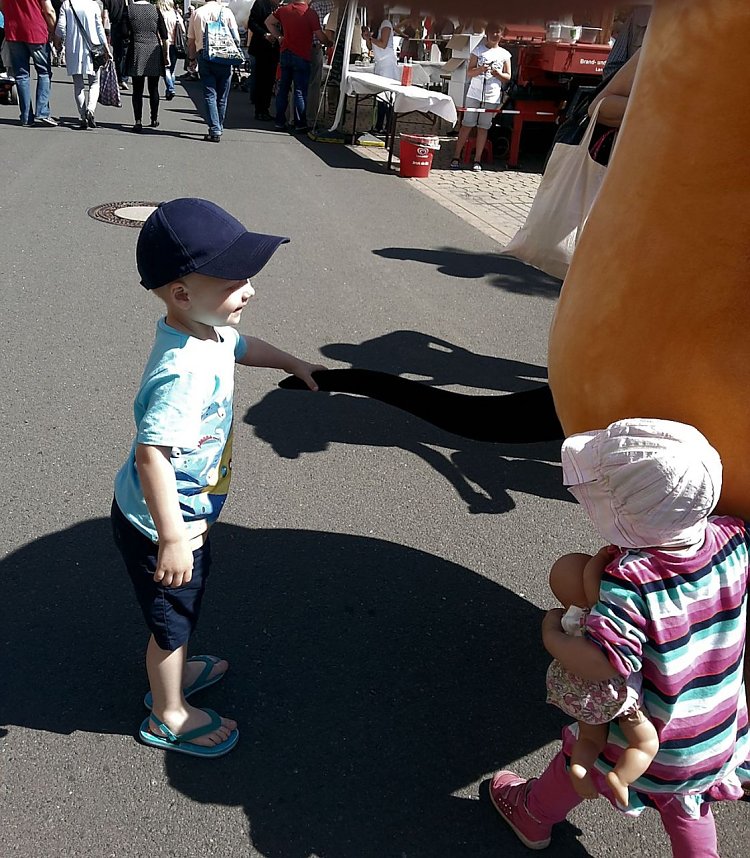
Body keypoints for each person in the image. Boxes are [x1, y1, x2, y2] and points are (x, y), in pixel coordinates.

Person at [112, 197, 324, 758]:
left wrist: (293, 363)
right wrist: (172, 538)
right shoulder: (180, 371)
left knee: (182, 608)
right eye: (234, 283)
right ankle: (169, 712)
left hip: (187, 515)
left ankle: (177, 667)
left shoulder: (211, 331)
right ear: (181, 293)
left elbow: (245, 348)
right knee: (170, 622)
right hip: (161, 524)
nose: (249, 291)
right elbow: (151, 456)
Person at [490, 418, 750, 857]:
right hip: (715, 730)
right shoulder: (734, 538)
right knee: (688, 806)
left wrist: (553, 636)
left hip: (653, 731)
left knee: (583, 757)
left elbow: (604, 661)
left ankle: (533, 813)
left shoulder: (632, 582)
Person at [547, 546, 659, 806]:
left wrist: (551, 620)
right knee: (646, 743)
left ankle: (580, 766)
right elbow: (590, 577)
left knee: (590, 738)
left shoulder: (572, 619)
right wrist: (600, 559)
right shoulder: (607, 610)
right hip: (617, 691)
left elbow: (586, 580)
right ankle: (621, 777)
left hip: (581, 690)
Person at [449, 21, 510, 172]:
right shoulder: (478, 50)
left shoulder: (505, 54)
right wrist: (481, 69)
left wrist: (498, 74)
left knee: (483, 128)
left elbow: (508, 76)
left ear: (502, 35)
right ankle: (456, 156)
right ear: (487, 34)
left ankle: (477, 160)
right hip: (475, 93)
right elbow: (469, 72)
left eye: (498, 32)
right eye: (492, 32)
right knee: (467, 125)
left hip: (491, 95)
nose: (494, 35)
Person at [265, 0, 331, 133]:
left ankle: (279, 121)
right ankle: (300, 123)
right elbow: (319, 35)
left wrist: (279, 37)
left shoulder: (284, 10)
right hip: (302, 54)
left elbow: (268, 22)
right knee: (300, 91)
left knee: (283, 89)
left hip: (285, 52)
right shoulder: (309, 13)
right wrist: (328, 42)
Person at [187, 0, 241, 142]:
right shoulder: (226, 12)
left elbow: (191, 40)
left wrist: (192, 59)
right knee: (222, 95)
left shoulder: (197, 13)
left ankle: (215, 128)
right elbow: (236, 38)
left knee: (210, 94)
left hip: (205, 56)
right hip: (224, 56)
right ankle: (219, 126)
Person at [0, 0, 57, 125]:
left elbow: (2, 7)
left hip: (14, 30)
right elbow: (49, 11)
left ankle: (26, 116)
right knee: (44, 72)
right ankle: (42, 111)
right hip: (36, 29)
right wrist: (53, 31)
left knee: (21, 75)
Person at [54, 0, 109, 129]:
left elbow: (61, 28)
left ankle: (83, 115)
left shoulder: (67, 4)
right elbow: (99, 28)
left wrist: (58, 42)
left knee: (78, 85)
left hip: (73, 48)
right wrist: (106, 47)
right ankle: (91, 109)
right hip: (93, 49)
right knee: (94, 82)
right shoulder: (93, 5)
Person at [124, 0, 168, 131]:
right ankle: (154, 118)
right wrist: (165, 55)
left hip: (137, 48)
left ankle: (138, 121)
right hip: (154, 50)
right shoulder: (155, 10)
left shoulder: (129, 10)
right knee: (153, 88)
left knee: (137, 89)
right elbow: (164, 34)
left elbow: (124, 32)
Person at [362, 7, 396, 134]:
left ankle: (388, 126)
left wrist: (370, 38)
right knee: (380, 97)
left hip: (387, 64)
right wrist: (367, 38)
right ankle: (379, 125)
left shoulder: (386, 24)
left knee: (386, 97)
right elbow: (371, 47)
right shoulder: (376, 27)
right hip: (380, 63)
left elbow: (383, 44)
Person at [245, 0, 279, 121]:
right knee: (261, 80)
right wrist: (265, 34)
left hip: (274, 49)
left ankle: (265, 109)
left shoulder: (281, 5)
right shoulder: (261, 3)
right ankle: (260, 109)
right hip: (261, 47)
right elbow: (252, 23)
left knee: (269, 81)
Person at [155, 0, 180, 99]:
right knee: (172, 69)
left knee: (166, 68)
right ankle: (170, 89)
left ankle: (170, 88)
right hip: (175, 43)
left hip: (162, 43)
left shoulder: (160, 14)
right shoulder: (175, 14)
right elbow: (182, 29)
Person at [102, 0, 128, 89]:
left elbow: (105, 16)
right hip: (125, 26)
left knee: (117, 53)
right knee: (125, 53)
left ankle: (119, 77)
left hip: (114, 26)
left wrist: (104, 29)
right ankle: (124, 77)